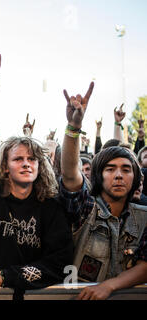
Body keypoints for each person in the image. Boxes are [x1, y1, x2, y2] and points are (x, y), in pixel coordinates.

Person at [0, 54, 73, 300]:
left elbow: (58, 264)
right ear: (4, 167)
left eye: (32, 159)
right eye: (18, 159)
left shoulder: (50, 208)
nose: (26, 163)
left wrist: (4, 276)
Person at [60, 82, 147, 300]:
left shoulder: (145, 216)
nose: (119, 175)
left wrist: (109, 286)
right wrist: (74, 127)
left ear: (136, 177)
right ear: (98, 175)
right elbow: (70, 174)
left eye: (126, 169)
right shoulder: (85, 208)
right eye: (110, 169)